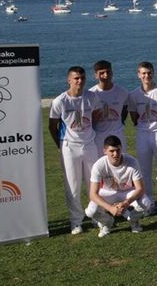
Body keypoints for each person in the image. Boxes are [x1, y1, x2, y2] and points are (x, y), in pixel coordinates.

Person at [49, 66, 103, 235]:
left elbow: (96, 116)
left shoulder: (92, 97)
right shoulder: (60, 101)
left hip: (89, 145)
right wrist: (61, 144)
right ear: (69, 80)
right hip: (69, 147)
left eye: (82, 78)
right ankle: (76, 222)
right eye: (76, 78)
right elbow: (52, 126)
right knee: (72, 185)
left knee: (94, 183)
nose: (80, 81)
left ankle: (97, 216)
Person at [85, 135, 151, 237]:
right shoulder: (99, 165)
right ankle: (107, 223)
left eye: (118, 150)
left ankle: (134, 220)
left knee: (146, 203)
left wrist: (126, 203)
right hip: (108, 192)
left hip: (127, 192)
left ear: (121, 148)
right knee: (90, 212)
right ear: (105, 151)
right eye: (112, 151)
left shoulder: (132, 161)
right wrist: (110, 208)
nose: (115, 154)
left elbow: (140, 188)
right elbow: (93, 194)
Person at [127, 61, 157, 206]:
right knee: (144, 169)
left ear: (153, 73)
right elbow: (133, 116)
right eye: (144, 73)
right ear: (139, 75)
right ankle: (149, 203)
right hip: (142, 134)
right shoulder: (133, 94)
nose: (147, 75)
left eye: (149, 73)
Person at [89, 60, 129, 151]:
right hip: (98, 136)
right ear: (96, 75)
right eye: (102, 73)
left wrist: (120, 121)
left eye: (108, 72)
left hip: (117, 134)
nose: (106, 75)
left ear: (112, 72)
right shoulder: (91, 94)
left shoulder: (122, 92)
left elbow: (125, 109)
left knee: (120, 162)